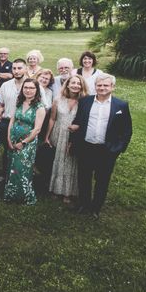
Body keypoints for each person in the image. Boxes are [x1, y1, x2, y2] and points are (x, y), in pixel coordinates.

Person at [69, 74, 132, 219]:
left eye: (106, 85)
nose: (102, 88)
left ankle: (96, 208)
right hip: (86, 146)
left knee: (102, 180)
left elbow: (126, 130)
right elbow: (78, 121)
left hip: (106, 149)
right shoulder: (85, 101)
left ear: (112, 87)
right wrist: (73, 139)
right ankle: (84, 204)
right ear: (95, 86)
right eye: (99, 85)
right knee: (83, 177)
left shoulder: (120, 105)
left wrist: (118, 149)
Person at [44, 74, 88, 204]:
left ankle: (68, 192)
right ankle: (56, 189)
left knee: (71, 162)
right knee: (57, 161)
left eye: (78, 83)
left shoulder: (85, 101)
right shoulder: (58, 99)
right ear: (67, 84)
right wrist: (47, 135)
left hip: (74, 135)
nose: (75, 85)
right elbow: (52, 118)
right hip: (58, 132)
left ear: (82, 86)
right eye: (73, 83)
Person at [3, 78, 46, 205]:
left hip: (28, 143)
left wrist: (23, 143)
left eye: (31, 88)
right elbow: (12, 120)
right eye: (26, 87)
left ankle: (24, 196)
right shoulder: (19, 102)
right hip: (13, 139)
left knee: (22, 168)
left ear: (36, 90)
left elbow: (37, 129)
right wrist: (9, 138)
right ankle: (11, 194)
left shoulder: (39, 107)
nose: (28, 90)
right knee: (12, 167)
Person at [0, 59, 27, 185]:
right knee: (8, 150)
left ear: (25, 69)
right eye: (14, 68)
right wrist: (0, 110)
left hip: (24, 123)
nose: (16, 71)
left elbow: (43, 106)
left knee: (21, 151)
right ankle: (5, 175)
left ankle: (20, 177)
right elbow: (2, 104)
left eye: (20, 68)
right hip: (7, 122)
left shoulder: (33, 85)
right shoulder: (5, 85)